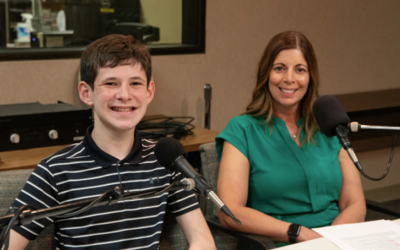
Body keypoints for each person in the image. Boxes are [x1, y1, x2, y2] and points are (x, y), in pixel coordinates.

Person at [9, 34, 216, 250]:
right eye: (111, 83)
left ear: (149, 92)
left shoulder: (166, 160)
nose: (124, 95)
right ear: (86, 93)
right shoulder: (55, 171)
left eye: (135, 83)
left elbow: (202, 240)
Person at [215, 31, 366, 247]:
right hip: (277, 242)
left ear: (310, 76)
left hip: (335, 240)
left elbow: (355, 203)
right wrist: (301, 234)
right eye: (279, 68)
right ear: (266, 73)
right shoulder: (242, 131)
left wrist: (329, 242)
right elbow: (229, 212)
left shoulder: (328, 126)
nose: (289, 78)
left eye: (300, 70)